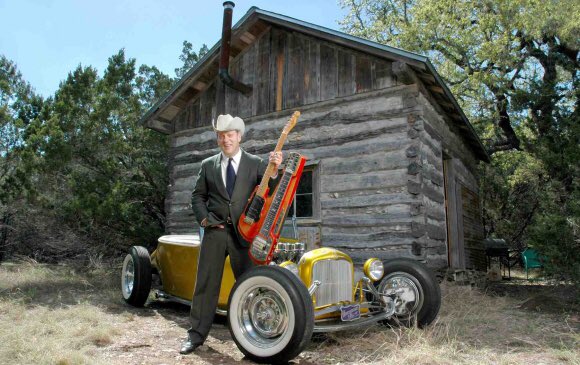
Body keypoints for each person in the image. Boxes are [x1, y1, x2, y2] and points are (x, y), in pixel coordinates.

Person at [180, 114, 283, 355]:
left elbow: (270, 191)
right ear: (217, 138)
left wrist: (275, 170)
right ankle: (195, 336)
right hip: (215, 232)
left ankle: (259, 335)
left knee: (252, 285)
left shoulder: (256, 163)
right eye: (221, 136)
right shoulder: (208, 165)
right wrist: (204, 219)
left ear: (239, 136)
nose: (226, 140)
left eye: (230, 135)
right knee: (205, 285)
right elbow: (197, 197)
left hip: (245, 235)